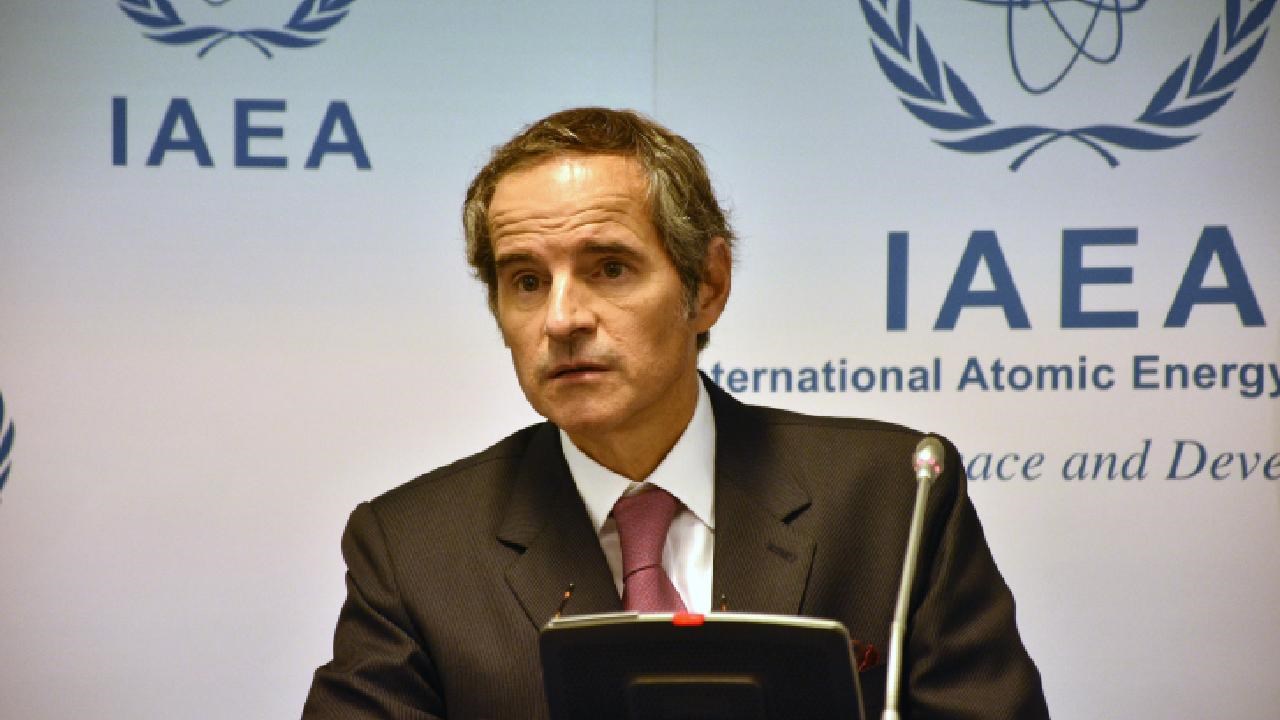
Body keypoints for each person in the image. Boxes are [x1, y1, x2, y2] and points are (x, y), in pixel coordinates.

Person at [302, 107, 1049, 719]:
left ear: (708, 286)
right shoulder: (414, 549)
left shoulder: (892, 496)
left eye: (610, 268)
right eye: (526, 281)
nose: (561, 319)